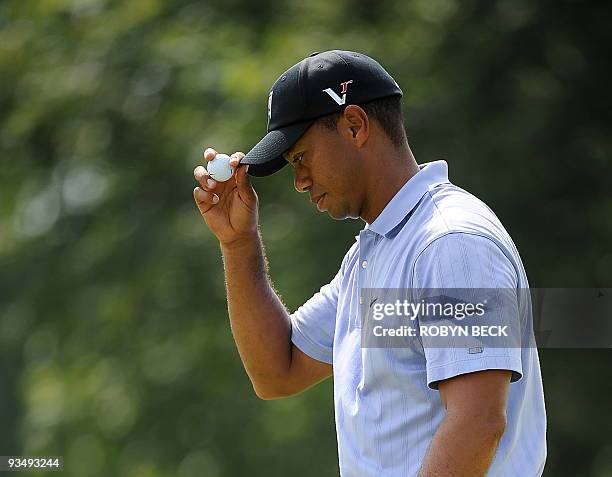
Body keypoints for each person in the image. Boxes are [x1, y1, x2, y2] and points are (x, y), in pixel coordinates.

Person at [193, 50, 546, 477]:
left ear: (355, 125)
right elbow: (277, 372)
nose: (300, 181)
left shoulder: (449, 243)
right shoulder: (373, 253)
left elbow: (478, 422)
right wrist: (238, 243)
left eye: (301, 157)